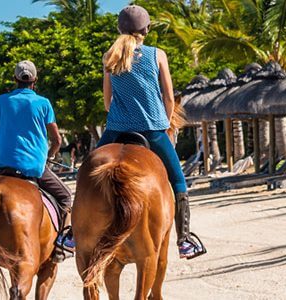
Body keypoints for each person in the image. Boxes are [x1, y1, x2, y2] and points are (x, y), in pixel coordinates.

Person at [96, 5, 206, 259]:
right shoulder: (157, 54)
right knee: (178, 181)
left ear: (119, 28)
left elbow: (106, 102)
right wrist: (163, 121)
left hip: (115, 130)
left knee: (86, 173)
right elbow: (168, 96)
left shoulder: (109, 56)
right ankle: (185, 240)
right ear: (146, 29)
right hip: (153, 129)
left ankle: (73, 234)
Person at [0, 60, 75, 260]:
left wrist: (2, 151)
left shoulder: (1, 101)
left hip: (4, 167)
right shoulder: (43, 103)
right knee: (65, 196)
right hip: (34, 168)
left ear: (15, 79)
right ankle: (64, 245)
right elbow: (57, 139)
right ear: (35, 81)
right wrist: (50, 155)